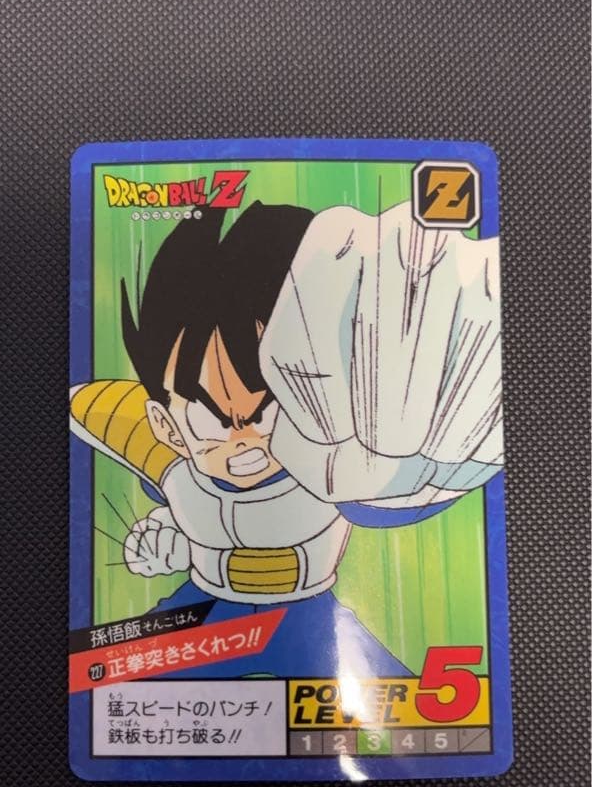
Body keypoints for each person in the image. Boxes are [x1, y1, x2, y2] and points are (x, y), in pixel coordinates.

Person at [70, 199, 502, 678]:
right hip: (206, 614)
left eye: (269, 409)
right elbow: (106, 419)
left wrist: (451, 459)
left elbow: (399, 493)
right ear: (169, 426)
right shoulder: (175, 473)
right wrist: (166, 539)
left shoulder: (334, 474)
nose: (244, 437)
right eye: (211, 418)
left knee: (400, 700)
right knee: (102, 678)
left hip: (310, 616)